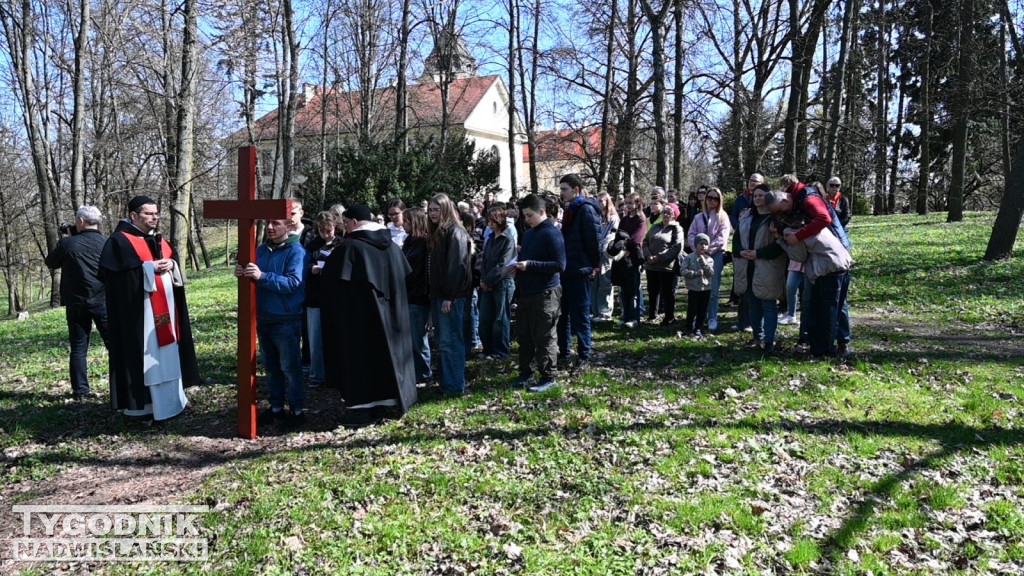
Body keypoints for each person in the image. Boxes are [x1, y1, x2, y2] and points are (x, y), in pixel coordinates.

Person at [99, 196, 197, 421]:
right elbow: (115, 281)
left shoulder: (159, 240)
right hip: (140, 316)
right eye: (149, 214)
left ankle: (172, 400)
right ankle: (142, 406)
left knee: (167, 352)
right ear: (134, 216)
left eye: (157, 213)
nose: (155, 217)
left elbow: (173, 265)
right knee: (145, 354)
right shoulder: (119, 241)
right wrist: (148, 268)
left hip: (165, 313)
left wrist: (171, 265)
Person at [320, 205, 417, 427]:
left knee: (361, 360)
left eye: (345, 223)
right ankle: (387, 402)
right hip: (392, 318)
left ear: (353, 222)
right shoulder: (392, 247)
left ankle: (361, 409)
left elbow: (332, 287)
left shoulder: (350, 249)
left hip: (358, 322)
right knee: (386, 357)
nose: (344, 228)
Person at [235, 217, 307, 427]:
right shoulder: (261, 250)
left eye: (276, 223)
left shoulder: (296, 251)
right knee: (271, 367)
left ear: (289, 226)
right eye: (268, 223)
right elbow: (253, 275)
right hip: (263, 318)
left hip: (286, 319)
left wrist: (262, 276)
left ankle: (297, 411)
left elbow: (293, 283)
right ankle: (276, 408)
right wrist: (242, 274)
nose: (270, 227)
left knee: (290, 368)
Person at [766, 190, 853, 357]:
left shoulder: (790, 231)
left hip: (828, 269)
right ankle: (832, 346)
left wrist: (780, 240)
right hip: (842, 263)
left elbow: (799, 256)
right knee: (834, 309)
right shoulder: (807, 221)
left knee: (825, 312)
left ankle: (823, 351)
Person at [45, 205, 111, 400]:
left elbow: (51, 262)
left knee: (79, 347)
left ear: (81, 222)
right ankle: (121, 385)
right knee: (113, 345)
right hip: (104, 301)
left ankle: (81, 392)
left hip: (76, 304)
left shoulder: (68, 245)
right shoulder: (107, 243)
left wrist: (67, 238)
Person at [510, 194, 565, 393]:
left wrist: (530, 265)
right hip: (527, 292)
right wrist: (518, 265)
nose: (527, 220)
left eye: (530, 215)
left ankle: (548, 375)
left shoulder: (552, 233)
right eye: (524, 216)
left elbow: (560, 264)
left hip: (546, 293)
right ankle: (525, 373)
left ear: (542, 212)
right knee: (524, 335)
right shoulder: (529, 233)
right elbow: (526, 258)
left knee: (544, 336)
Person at [427, 193, 474, 397]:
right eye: (429, 210)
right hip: (439, 295)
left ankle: (455, 386)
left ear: (446, 210)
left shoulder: (455, 233)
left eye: (436, 210)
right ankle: (448, 383)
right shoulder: (439, 233)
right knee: (443, 341)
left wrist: (449, 296)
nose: (431, 214)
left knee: (451, 341)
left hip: (450, 297)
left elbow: (457, 267)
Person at [556, 174, 601, 370]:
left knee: (580, 315)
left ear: (576, 190)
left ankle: (584, 354)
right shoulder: (570, 210)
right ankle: (564, 351)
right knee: (562, 314)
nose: (561, 193)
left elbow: (593, 241)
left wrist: (593, 265)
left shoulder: (586, 210)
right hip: (566, 269)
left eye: (564, 189)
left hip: (580, 269)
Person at [735, 185, 787, 353]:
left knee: (768, 304)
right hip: (747, 266)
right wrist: (740, 251)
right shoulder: (746, 216)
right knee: (753, 305)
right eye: (755, 195)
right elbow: (736, 238)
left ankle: (769, 342)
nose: (758, 198)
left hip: (768, 267)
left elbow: (780, 244)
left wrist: (759, 253)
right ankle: (757, 337)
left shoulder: (776, 219)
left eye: (762, 195)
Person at [304, 211, 342, 387]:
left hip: (335, 297)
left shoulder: (341, 244)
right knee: (316, 338)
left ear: (335, 227)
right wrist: (312, 269)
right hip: (316, 297)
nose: (326, 234)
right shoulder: (311, 246)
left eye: (329, 230)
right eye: (323, 231)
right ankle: (317, 375)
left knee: (336, 337)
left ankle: (337, 374)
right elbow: (302, 268)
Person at [686, 187, 732, 331]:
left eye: (715, 198)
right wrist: (697, 250)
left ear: (719, 201)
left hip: (715, 255)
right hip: (698, 255)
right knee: (698, 286)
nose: (712, 201)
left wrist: (708, 251)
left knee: (713, 287)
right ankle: (698, 317)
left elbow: (722, 237)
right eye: (709, 198)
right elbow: (691, 234)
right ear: (705, 199)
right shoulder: (698, 217)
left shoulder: (723, 217)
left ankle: (712, 316)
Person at [478, 204, 516, 359]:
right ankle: (488, 348)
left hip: (503, 283)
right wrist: (484, 279)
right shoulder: (491, 238)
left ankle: (500, 350)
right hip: (488, 283)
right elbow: (485, 260)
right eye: (488, 221)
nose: (490, 224)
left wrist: (488, 280)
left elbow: (504, 265)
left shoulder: (508, 239)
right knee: (485, 317)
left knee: (500, 318)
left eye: (493, 220)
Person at [730, 173, 765, 332]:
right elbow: (734, 215)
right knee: (743, 288)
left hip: (758, 252)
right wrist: (740, 225)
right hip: (743, 246)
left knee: (757, 290)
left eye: (756, 182)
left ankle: (755, 323)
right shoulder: (741, 198)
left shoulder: (765, 202)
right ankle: (742, 321)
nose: (753, 184)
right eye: (751, 181)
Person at [402, 208, 433, 384]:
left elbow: (418, 272)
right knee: (412, 338)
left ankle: (424, 374)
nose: (403, 224)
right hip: (408, 294)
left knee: (419, 338)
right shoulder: (409, 241)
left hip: (418, 295)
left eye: (406, 221)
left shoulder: (424, 243)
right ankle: (416, 372)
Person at [609, 192, 646, 328]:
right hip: (622, 257)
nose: (628, 205)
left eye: (631, 203)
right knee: (623, 289)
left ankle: (634, 318)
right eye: (627, 203)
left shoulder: (641, 219)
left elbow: (636, 239)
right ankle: (625, 317)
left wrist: (625, 245)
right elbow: (619, 234)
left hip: (634, 257)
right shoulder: (624, 219)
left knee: (633, 290)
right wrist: (620, 246)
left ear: (638, 204)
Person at [643, 203, 684, 325]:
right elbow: (645, 241)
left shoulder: (677, 228)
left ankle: (669, 317)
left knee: (668, 292)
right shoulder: (655, 226)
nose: (666, 215)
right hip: (651, 265)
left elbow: (677, 248)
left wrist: (659, 258)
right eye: (664, 212)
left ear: (674, 216)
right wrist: (648, 255)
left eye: (669, 213)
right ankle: (652, 316)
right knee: (653, 291)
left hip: (666, 267)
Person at [591, 191, 620, 323]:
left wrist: (601, 246)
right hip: (596, 253)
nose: (599, 203)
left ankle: (605, 312)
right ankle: (595, 310)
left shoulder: (613, 218)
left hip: (606, 253)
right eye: (597, 200)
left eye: (602, 200)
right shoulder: (597, 217)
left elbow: (611, 236)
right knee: (595, 282)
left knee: (605, 282)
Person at [680, 234, 715, 337]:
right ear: (696, 245)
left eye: (706, 244)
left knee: (702, 309)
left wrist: (705, 265)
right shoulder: (689, 258)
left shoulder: (709, 259)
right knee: (692, 308)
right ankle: (688, 327)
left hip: (706, 288)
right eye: (701, 244)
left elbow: (711, 273)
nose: (703, 246)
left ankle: (698, 327)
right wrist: (695, 273)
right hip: (693, 288)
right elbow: (683, 270)